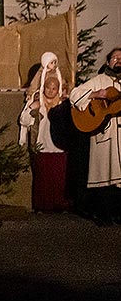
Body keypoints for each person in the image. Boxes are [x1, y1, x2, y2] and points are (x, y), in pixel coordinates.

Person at [68, 47, 121, 224]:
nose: (118, 59)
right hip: (105, 135)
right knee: (105, 177)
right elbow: (74, 95)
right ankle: (104, 215)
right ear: (107, 62)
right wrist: (96, 93)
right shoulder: (99, 80)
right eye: (114, 57)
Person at [19, 52, 70, 212]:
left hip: (59, 145)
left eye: (54, 88)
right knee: (43, 177)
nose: (51, 91)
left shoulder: (63, 104)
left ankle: (59, 205)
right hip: (41, 145)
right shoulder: (36, 102)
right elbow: (24, 121)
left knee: (59, 177)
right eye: (48, 87)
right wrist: (32, 110)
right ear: (43, 87)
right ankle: (42, 205)